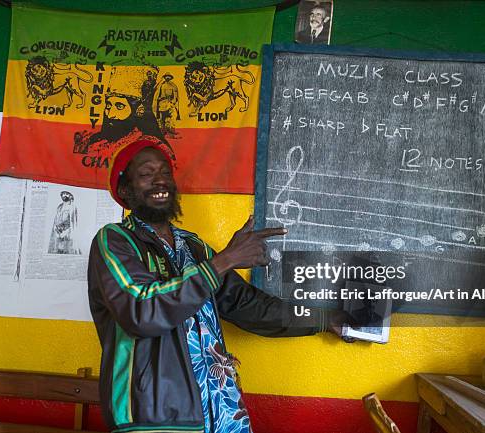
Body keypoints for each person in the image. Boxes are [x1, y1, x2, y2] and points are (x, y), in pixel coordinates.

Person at [87, 136, 350, 433]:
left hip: (220, 408)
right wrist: (226, 259)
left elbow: (246, 305)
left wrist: (324, 319)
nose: (160, 181)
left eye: (165, 172)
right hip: (156, 416)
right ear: (125, 190)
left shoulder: (193, 246)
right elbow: (142, 312)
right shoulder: (114, 241)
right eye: (147, 174)